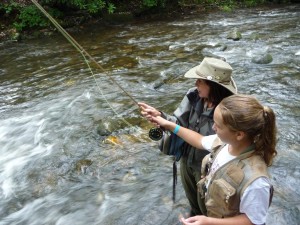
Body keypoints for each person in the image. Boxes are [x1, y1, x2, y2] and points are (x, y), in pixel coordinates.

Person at [150, 94, 277, 225]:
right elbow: (199, 140)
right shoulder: (223, 143)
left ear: (239, 134)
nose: (213, 128)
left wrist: (208, 222)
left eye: (218, 125)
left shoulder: (257, 181)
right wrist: (169, 125)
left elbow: (253, 220)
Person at [138, 57, 237, 216]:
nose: (195, 84)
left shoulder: (227, 111)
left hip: (209, 168)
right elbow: (179, 122)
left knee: (210, 209)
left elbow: (220, 144)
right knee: (194, 204)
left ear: (213, 85)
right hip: (186, 159)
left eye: (200, 80)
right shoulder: (193, 95)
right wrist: (161, 116)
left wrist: (169, 124)